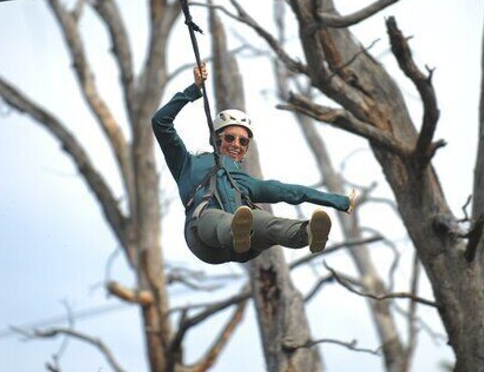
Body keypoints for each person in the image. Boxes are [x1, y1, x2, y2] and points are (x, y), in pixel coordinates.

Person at [152, 63, 354, 265]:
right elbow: (161, 122)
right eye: (230, 138)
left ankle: (307, 233)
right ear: (216, 139)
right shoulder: (188, 164)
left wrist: (339, 201)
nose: (236, 145)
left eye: (243, 141)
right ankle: (235, 231)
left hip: (246, 245)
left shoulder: (244, 182)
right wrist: (193, 89)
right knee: (215, 217)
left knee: (265, 221)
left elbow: (288, 192)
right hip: (203, 238)